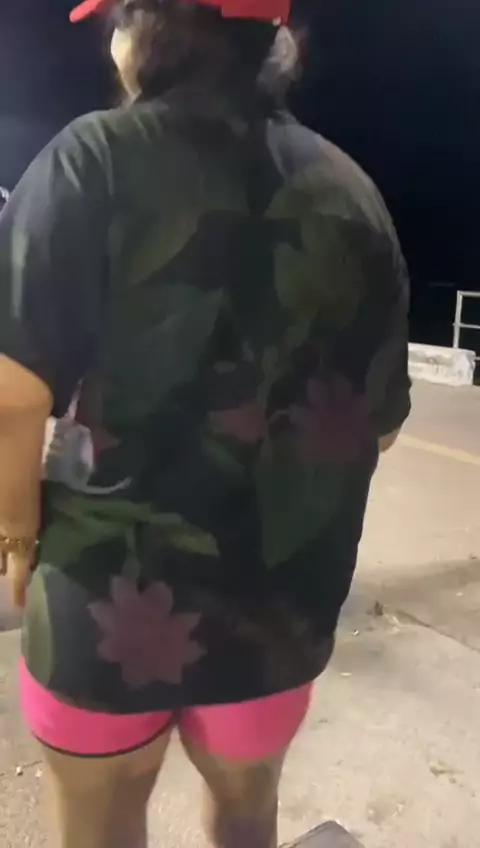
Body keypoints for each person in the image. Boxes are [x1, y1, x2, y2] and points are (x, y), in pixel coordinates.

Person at [0, 1, 411, 846]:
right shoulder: (351, 191)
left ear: (145, 37)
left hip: (106, 606)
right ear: (275, 44)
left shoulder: (90, 160)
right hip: (275, 611)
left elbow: (11, 394)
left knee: (101, 824)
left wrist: (15, 534)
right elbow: (377, 429)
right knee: (246, 812)